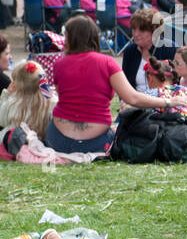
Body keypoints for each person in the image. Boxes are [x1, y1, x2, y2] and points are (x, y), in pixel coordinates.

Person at [45, 16, 168, 154]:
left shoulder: (59, 65)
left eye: (66, 37)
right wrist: (167, 101)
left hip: (58, 140)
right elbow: (132, 98)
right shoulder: (107, 63)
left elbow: (60, 95)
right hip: (97, 142)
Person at [0, 58, 55, 141]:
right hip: (38, 143)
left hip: (13, 144)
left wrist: (6, 94)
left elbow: (2, 121)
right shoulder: (49, 104)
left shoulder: (13, 102)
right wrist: (48, 92)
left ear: (16, 86)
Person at [122, 8, 174, 93]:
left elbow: (176, 83)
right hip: (135, 102)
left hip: (164, 101)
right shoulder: (130, 50)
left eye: (142, 30)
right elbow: (125, 84)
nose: (136, 34)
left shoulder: (169, 48)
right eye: (134, 29)